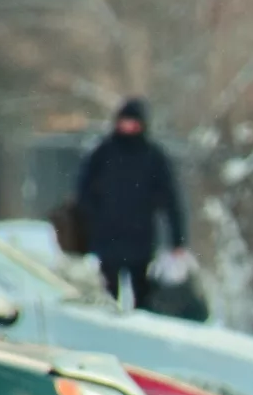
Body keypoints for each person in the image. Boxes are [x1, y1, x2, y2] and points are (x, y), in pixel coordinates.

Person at [75, 98, 190, 310]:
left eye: (133, 123)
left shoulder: (153, 157)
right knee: (108, 299)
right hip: (108, 239)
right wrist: (89, 225)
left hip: (140, 240)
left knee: (142, 298)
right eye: (125, 122)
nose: (128, 127)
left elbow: (170, 200)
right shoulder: (103, 154)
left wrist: (178, 240)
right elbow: (84, 194)